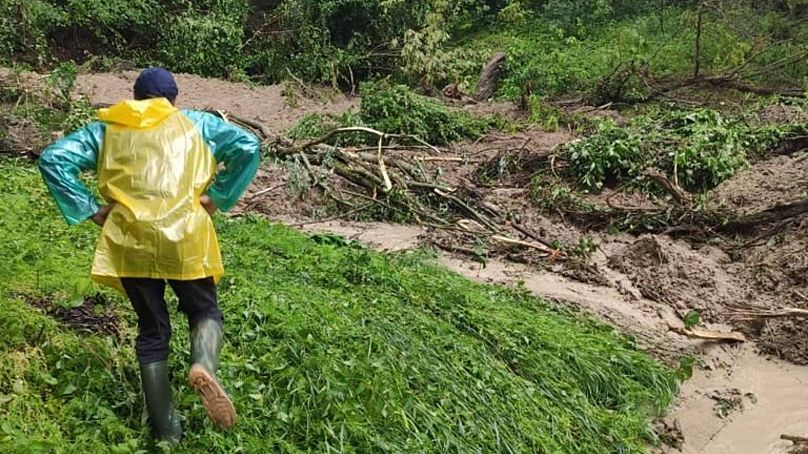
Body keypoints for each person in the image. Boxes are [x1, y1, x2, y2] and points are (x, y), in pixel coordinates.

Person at [38, 67, 261, 443]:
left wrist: (91, 207)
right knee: (204, 310)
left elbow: (54, 158)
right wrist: (217, 197)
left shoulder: (107, 128)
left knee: (152, 330)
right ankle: (203, 365)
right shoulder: (198, 124)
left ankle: (167, 432)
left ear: (135, 97)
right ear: (173, 99)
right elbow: (248, 146)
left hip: (131, 241)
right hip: (186, 239)